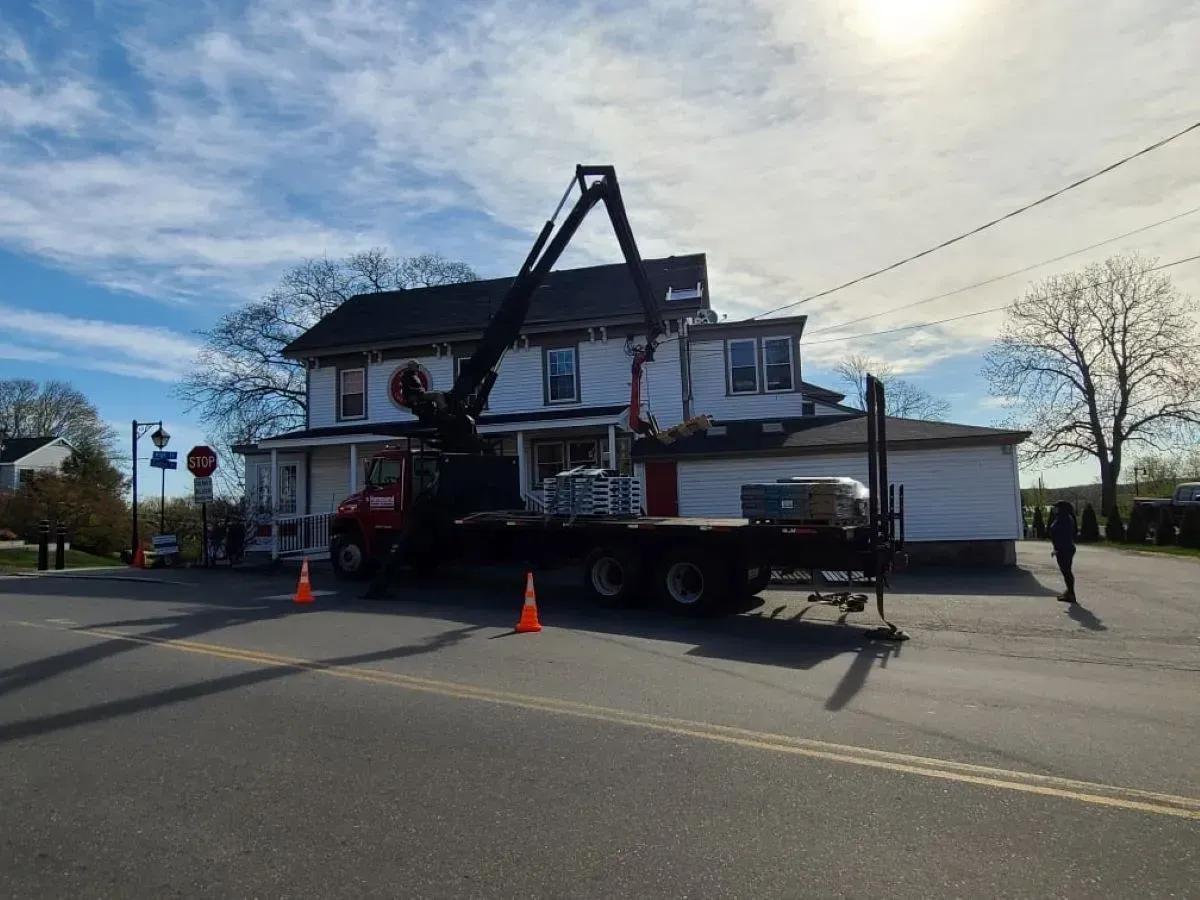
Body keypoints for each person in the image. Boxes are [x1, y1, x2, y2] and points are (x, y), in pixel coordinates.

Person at [1048, 500, 1077, 603]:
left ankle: (1071, 593)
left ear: (1062, 508)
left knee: (1066, 572)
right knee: (1066, 572)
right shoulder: (1062, 518)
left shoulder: (1064, 520)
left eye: (1056, 507)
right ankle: (1069, 592)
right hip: (1065, 548)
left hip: (1065, 549)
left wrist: (1057, 549)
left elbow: (1063, 537)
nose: (1054, 509)